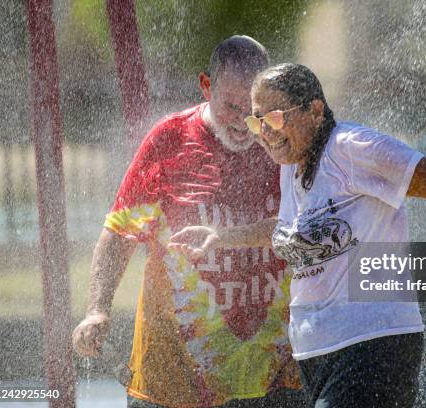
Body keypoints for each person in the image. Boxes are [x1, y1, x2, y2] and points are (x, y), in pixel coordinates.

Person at [169, 63, 426, 408]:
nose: (264, 131)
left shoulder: (352, 148)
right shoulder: (292, 165)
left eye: (274, 117)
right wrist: (221, 237)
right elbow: (291, 232)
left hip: (372, 344)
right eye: (256, 120)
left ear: (314, 110)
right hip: (318, 355)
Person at [72, 38, 304, 408]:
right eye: (232, 106)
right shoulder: (170, 141)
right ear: (206, 86)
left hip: (276, 379)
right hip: (173, 380)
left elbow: (315, 226)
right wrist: (97, 309)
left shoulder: (285, 143)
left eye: (255, 109)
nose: (245, 123)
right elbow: (120, 232)